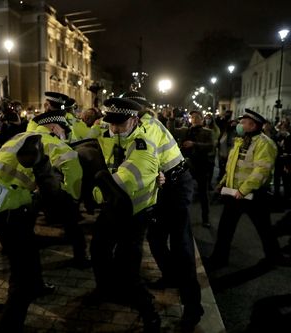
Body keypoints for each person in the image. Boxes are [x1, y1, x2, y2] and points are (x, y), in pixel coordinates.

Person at [0, 108, 85, 332]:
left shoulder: (19, 136)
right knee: (21, 270)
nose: (65, 134)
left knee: (28, 249)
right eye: (63, 129)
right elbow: (74, 174)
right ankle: (10, 325)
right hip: (13, 208)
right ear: (53, 128)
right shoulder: (53, 143)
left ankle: (38, 285)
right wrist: (70, 200)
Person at [121, 90, 204, 331]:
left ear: (136, 111)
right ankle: (170, 276)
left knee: (182, 248)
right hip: (164, 186)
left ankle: (194, 307)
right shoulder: (135, 127)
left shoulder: (148, 126)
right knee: (156, 238)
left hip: (176, 187)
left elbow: (146, 158)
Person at [91, 97, 161, 332]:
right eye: (111, 122)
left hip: (133, 213)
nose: (113, 128)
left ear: (133, 119)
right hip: (114, 209)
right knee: (99, 250)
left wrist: (95, 193)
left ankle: (148, 309)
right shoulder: (115, 135)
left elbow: (122, 183)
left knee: (128, 266)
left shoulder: (143, 146)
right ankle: (105, 290)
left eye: (119, 123)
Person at [206, 109, 291, 269]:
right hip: (234, 193)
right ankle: (219, 258)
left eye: (243, 122)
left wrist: (243, 190)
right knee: (225, 229)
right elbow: (233, 167)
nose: (239, 125)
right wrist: (223, 182)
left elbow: (261, 170)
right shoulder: (242, 141)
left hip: (253, 195)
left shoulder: (264, 143)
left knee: (264, 228)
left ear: (253, 125)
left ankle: (274, 257)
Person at [168, 110, 214, 227]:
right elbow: (171, 132)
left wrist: (194, 144)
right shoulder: (185, 130)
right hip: (186, 165)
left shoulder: (207, 132)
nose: (194, 119)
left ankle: (206, 218)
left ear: (202, 119)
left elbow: (211, 146)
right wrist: (172, 119)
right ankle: (179, 217)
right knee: (181, 190)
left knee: (203, 192)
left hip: (201, 165)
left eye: (197, 117)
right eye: (192, 117)